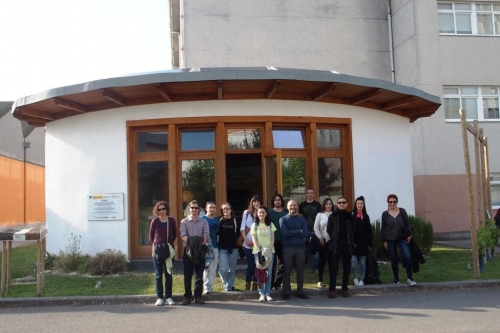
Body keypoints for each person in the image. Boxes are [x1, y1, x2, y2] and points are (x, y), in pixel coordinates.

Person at [180, 200, 210, 305]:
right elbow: (183, 236)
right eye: (192, 208)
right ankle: (187, 297)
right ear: (189, 209)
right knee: (187, 275)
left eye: (196, 208)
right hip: (188, 252)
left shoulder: (204, 222)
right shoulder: (184, 222)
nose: (194, 210)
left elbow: (206, 235)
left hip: (200, 251)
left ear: (199, 210)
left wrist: (198, 242)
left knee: (199, 275)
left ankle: (198, 297)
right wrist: (195, 241)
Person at [381, 194, 416, 286]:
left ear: (397, 202)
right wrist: (384, 240)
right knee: (394, 258)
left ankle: (410, 278)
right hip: (390, 239)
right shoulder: (385, 214)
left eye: (394, 201)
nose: (392, 203)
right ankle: (396, 279)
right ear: (388, 203)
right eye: (390, 202)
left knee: (407, 256)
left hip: (401, 237)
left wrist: (409, 234)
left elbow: (407, 223)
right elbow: (383, 228)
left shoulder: (402, 211)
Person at [149, 201, 177, 306]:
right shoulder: (155, 221)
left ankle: (169, 297)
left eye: (163, 209)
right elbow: (151, 236)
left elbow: (174, 234)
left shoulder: (171, 220)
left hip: (168, 250)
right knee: (158, 275)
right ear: (157, 210)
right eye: (159, 209)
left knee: (168, 274)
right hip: (157, 250)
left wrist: (168, 244)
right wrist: (156, 246)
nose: (162, 211)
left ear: (167, 209)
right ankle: (159, 297)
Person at [280, 200, 309, 300]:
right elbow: (284, 233)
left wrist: (292, 232)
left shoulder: (302, 220)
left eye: (294, 205)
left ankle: (300, 291)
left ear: (297, 207)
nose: (293, 207)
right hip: (288, 248)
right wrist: (298, 231)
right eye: (291, 205)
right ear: (287, 207)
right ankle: (286, 292)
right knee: (287, 270)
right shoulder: (283, 219)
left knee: (300, 271)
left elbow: (305, 233)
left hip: (300, 248)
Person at [326, 196, 354, 298]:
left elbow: (353, 230)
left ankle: (344, 288)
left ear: (346, 204)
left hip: (347, 245)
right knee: (334, 268)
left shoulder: (350, 216)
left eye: (343, 202)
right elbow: (329, 229)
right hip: (336, 245)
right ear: (337, 204)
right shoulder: (333, 216)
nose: (341, 204)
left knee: (347, 268)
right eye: (339, 202)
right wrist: (334, 239)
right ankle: (332, 289)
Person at [251, 205, 276, 302]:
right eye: (260, 212)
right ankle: (261, 293)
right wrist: (260, 250)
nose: (261, 214)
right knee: (260, 273)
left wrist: (268, 250)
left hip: (270, 252)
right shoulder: (255, 225)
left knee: (268, 273)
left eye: (263, 212)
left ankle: (268, 293)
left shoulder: (270, 225)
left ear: (266, 214)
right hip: (258, 252)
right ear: (257, 214)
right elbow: (254, 239)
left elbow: (273, 238)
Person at [351, 196, 373, 286]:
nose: (359, 205)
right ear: (355, 205)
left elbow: (369, 231)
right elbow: (350, 230)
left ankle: (362, 279)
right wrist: (352, 242)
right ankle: (355, 277)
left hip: (364, 242)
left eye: (361, 204)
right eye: (358, 204)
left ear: (363, 205)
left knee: (363, 262)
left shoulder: (366, 216)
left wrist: (370, 243)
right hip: (354, 243)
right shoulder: (352, 215)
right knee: (353, 262)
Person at [241, 195, 261, 291]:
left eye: (258, 201)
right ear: (252, 203)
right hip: (248, 243)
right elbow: (242, 228)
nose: (256, 203)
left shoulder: (262, 212)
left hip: (258, 244)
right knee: (251, 264)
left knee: (258, 264)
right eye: (254, 201)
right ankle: (247, 284)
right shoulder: (247, 213)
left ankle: (255, 284)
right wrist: (246, 240)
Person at [299, 188, 322, 273]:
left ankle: (315, 267)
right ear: (306, 195)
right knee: (303, 248)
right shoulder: (301, 205)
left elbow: (320, 217)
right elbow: (300, 217)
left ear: (314, 195)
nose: (310, 195)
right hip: (305, 229)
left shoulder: (318, 205)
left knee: (315, 249)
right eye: (308, 193)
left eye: (312, 193)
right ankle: (304, 264)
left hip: (315, 230)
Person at [218, 202, 239, 291]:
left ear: (231, 210)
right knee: (224, 269)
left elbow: (240, 233)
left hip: (233, 248)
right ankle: (225, 283)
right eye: (224, 209)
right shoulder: (219, 220)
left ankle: (229, 287)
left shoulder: (236, 220)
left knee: (232, 269)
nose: (225, 210)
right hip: (222, 248)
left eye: (227, 209)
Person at [268, 193, 287, 290]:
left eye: (279, 199)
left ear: (281, 201)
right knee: (272, 264)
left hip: (283, 242)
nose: (277, 201)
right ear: (273, 202)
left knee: (283, 264)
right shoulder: (269, 213)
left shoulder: (285, 214)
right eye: (275, 200)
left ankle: (278, 283)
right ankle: (270, 285)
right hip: (272, 242)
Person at [313, 197, 333, 288]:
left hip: (332, 241)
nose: (328, 206)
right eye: (326, 204)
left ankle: (332, 280)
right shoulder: (320, 215)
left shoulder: (334, 214)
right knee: (322, 261)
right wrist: (320, 238)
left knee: (332, 261)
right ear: (324, 205)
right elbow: (316, 227)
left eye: (330, 204)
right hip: (323, 241)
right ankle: (320, 280)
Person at [202, 201, 219, 295]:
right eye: (210, 207)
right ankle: (205, 287)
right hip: (205, 247)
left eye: (214, 207)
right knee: (206, 268)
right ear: (206, 208)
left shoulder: (217, 220)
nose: (212, 209)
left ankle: (210, 286)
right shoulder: (202, 219)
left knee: (213, 268)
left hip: (215, 246)